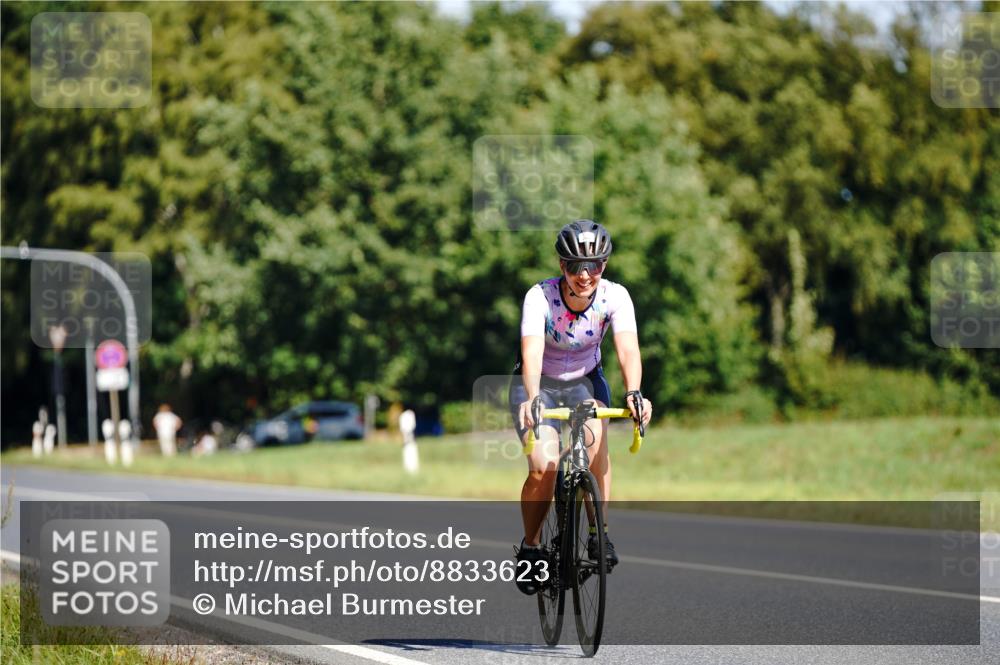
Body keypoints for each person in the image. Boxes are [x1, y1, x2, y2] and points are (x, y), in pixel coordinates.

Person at [508, 220, 653, 595]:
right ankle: (532, 547)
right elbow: (532, 350)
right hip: (538, 383)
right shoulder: (538, 297)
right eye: (575, 266)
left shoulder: (615, 297)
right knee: (544, 465)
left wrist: (634, 392)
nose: (585, 275)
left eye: (594, 266)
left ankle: (598, 534)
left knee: (594, 443)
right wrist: (532, 397)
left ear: (604, 266)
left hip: (586, 381)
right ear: (562, 267)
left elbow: (627, 348)